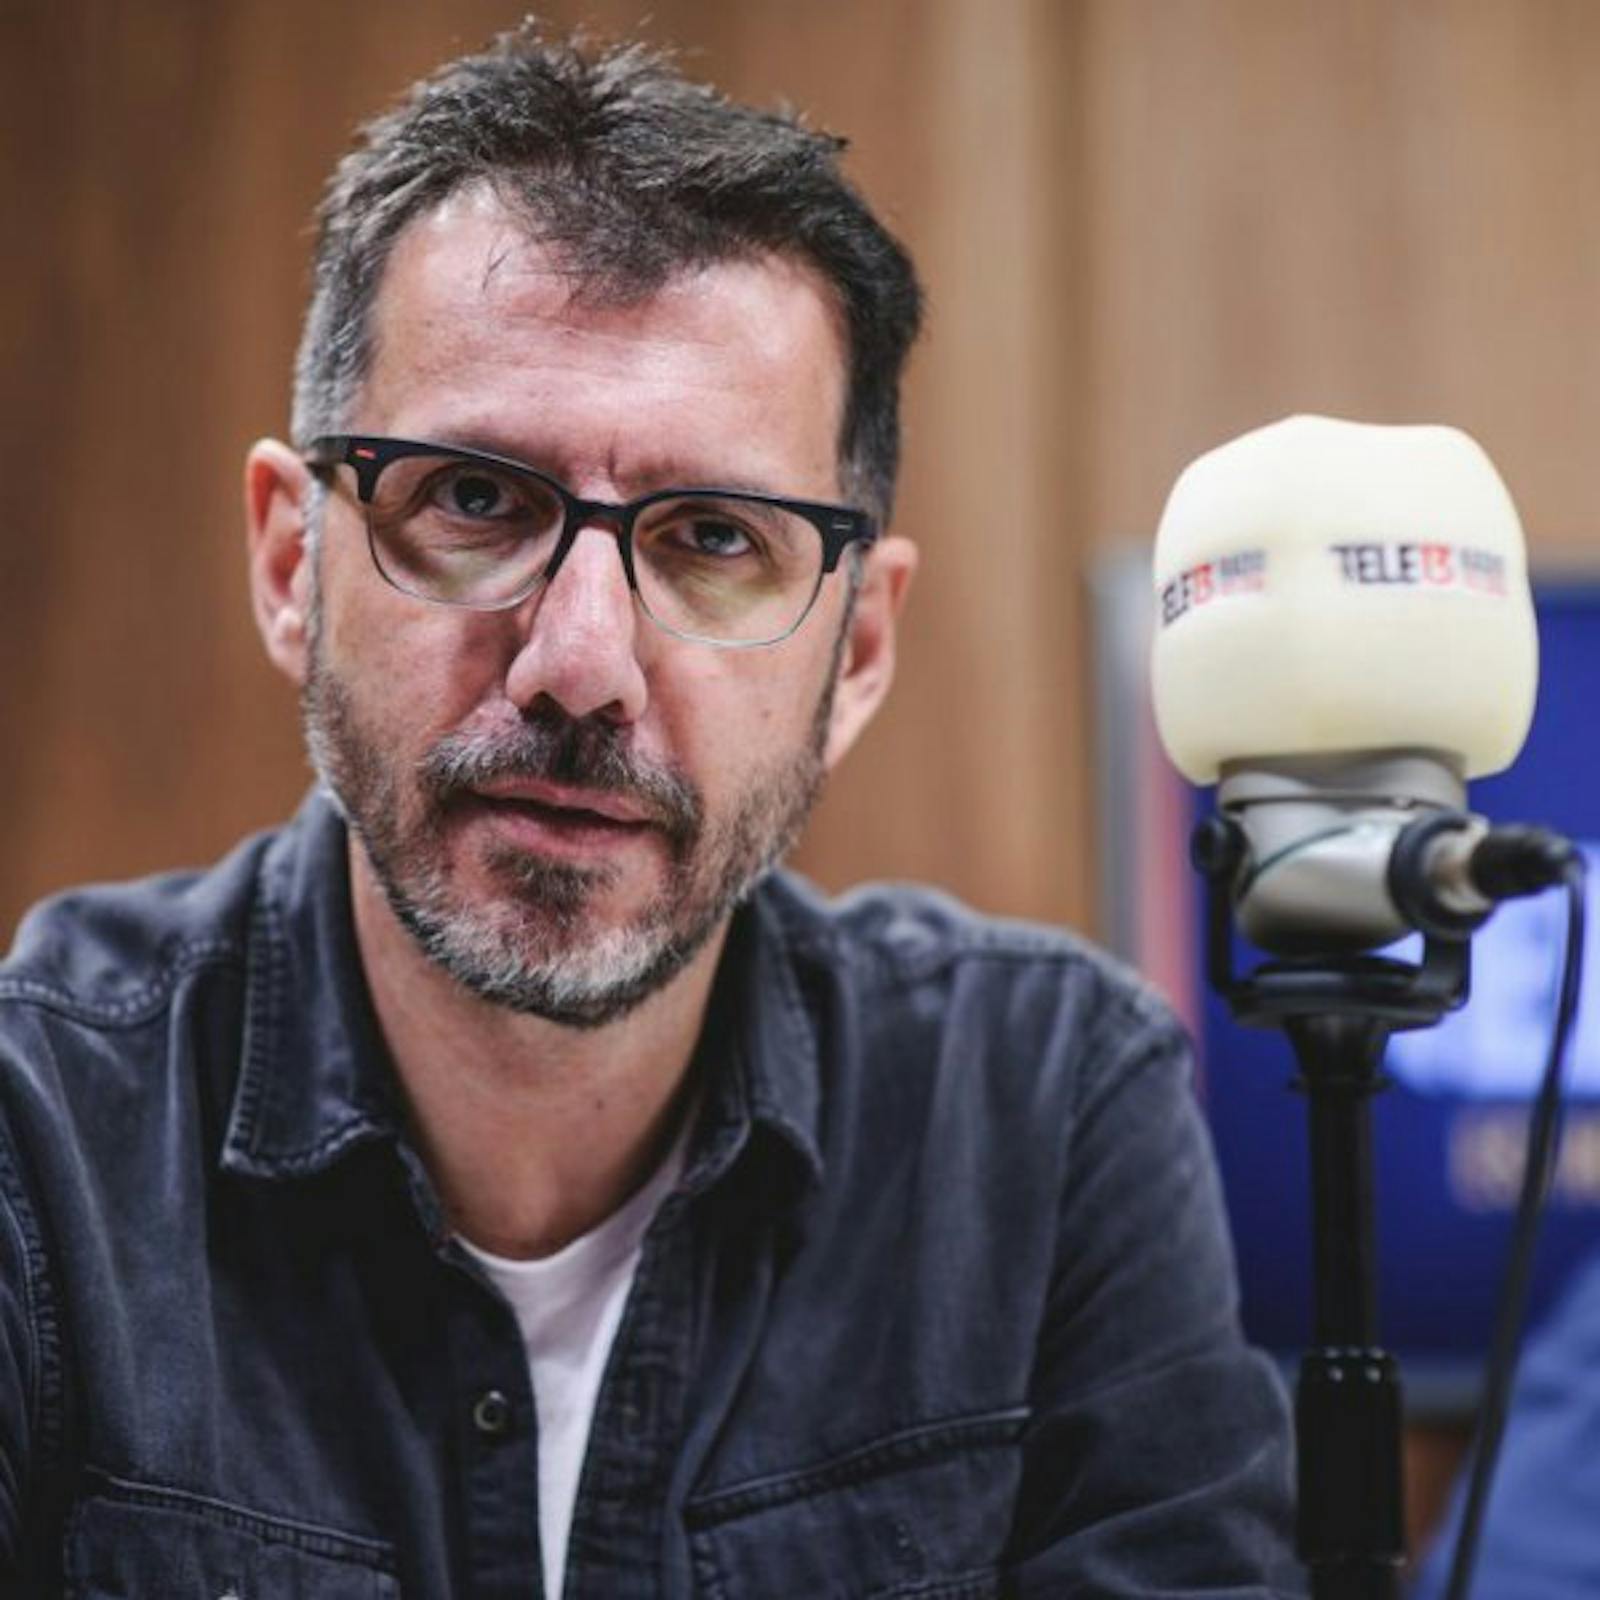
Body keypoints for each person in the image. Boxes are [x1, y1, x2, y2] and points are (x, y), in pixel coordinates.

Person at [0, 24, 1301, 1597]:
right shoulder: (39, 1138)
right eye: (473, 498)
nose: (581, 665)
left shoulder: (1045, 1117)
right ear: (294, 563)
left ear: (858, 651)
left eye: (713, 538)